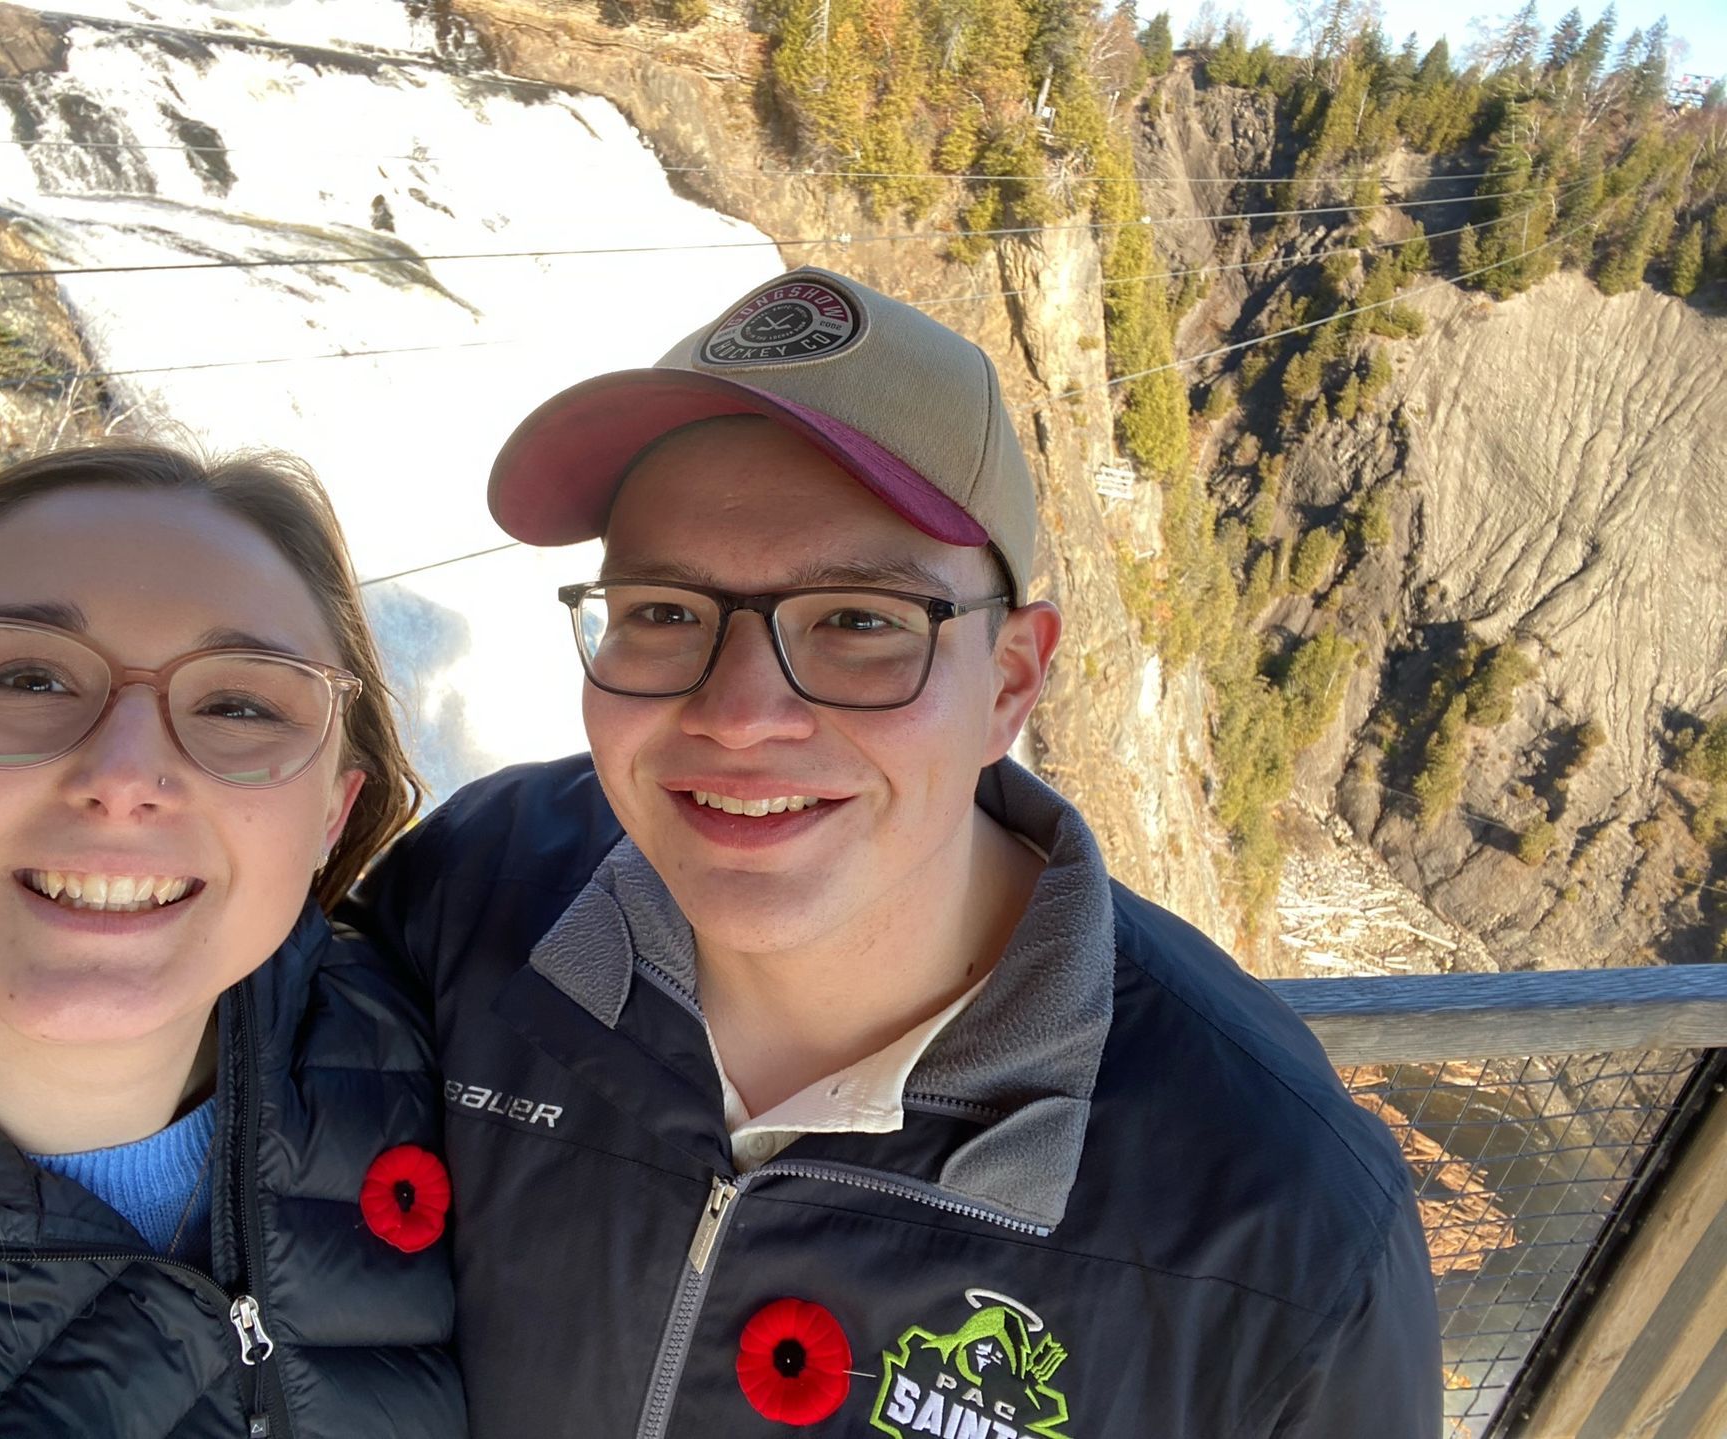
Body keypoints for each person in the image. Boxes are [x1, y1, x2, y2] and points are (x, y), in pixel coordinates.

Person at [356, 269, 1442, 1436]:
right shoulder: (467, 891)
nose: (740, 714)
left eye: (860, 621)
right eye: (664, 610)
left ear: (1011, 680)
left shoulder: (1285, 1225)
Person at [0, 442, 465, 1437]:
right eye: (29, 678)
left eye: (239, 705)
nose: (123, 776)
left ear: (331, 817)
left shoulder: (469, 1076)